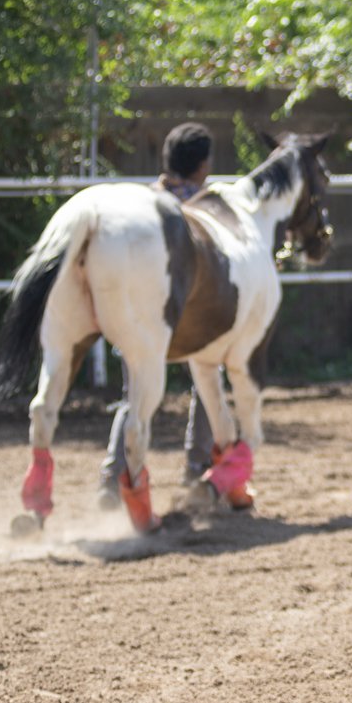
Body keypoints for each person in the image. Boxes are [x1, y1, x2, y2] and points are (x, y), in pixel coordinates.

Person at [98, 122, 217, 504]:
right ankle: (197, 470)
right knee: (207, 384)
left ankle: (112, 480)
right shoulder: (205, 208)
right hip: (190, 319)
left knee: (135, 394)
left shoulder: (144, 204)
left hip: (138, 318)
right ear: (201, 166)